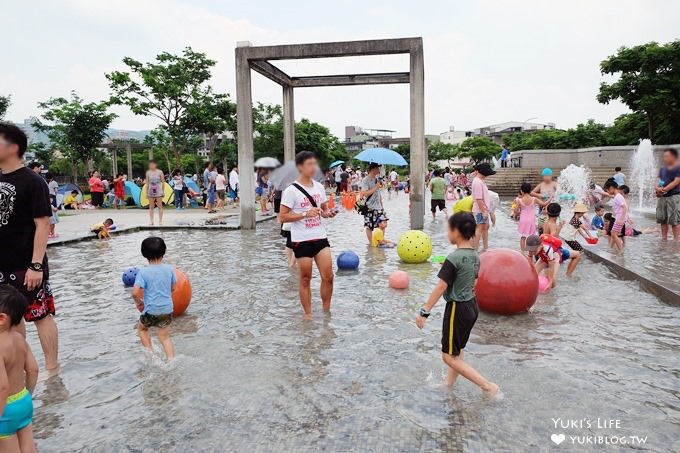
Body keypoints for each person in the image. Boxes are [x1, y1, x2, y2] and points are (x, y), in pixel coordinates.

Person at [415, 212, 499, 396]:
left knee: (447, 356)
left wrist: (424, 311)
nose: (448, 233)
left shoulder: (453, 258)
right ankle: (448, 385)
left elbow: (441, 287)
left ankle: (487, 387)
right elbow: (473, 282)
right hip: (471, 307)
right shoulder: (475, 256)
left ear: (457, 232)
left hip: (457, 309)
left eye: (449, 229)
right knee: (458, 350)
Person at [0, 122, 59, 373]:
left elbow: (43, 224)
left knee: (40, 313)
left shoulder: (32, 181)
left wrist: (36, 265)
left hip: (27, 263)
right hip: (2, 262)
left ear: (13, 147)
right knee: (9, 318)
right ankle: (19, 366)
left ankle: (52, 369)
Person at [278, 151, 337, 319]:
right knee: (305, 279)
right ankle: (308, 314)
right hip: (301, 240)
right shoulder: (291, 190)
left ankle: (326, 312)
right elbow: (282, 217)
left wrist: (328, 213)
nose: (313, 167)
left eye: (314, 164)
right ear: (300, 167)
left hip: (320, 236)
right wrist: (304, 214)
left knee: (329, 276)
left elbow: (323, 209)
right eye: (309, 164)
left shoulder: (319, 187)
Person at [0, 286, 39, 453]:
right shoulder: (19, 339)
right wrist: (27, 395)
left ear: (1, 318)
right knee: (28, 448)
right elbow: (33, 369)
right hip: (24, 401)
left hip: (4, 410)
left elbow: (2, 386)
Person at [132, 237, 176, 361]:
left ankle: (151, 354)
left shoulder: (143, 272)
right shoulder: (170, 269)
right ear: (164, 252)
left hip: (150, 310)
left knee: (142, 329)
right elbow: (173, 288)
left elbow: (135, 293)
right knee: (164, 337)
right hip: (167, 309)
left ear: (144, 254)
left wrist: (139, 302)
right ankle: (171, 360)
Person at [655, 147, 680, 241]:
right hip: (662, 196)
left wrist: (664, 189)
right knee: (662, 219)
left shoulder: (678, 167)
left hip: (674, 196)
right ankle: (664, 238)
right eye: (664, 156)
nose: (665, 158)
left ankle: (676, 240)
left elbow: (677, 181)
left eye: (667, 156)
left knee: (674, 220)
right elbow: (657, 178)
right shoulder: (663, 168)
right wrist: (657, 187)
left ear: (673, 156)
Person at [471, 163, 496, 250]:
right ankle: (475, 249)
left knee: (485, 228)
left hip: (482, 209)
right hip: (480, 210)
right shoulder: (477, 182)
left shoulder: (479, 181)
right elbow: (478, 199)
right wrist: (484, 211)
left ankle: (485, 248)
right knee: (479, 229)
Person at [360, 163, 386, 244]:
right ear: (372, 169)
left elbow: (378, 194)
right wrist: (376, 187)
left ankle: (380, 240)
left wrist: (382, 205)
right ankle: (371, 243)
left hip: (378, 207)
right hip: (369, 207)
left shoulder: (377, 179)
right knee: (369, 226)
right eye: (377, 169)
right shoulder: (365, 180)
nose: (379, 171)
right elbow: (365, 193)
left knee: (383, 224)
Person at [531, 168, 558, 233]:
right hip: (542, 208)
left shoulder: (554, 184)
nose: (546, 178)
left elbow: (561, 192)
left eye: (548, 176)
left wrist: (554, 194)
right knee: (541, 225)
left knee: (551, 224)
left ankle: (551, 234)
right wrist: (540, 195)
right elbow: (531, 192)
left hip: (551, 209)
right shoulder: (541, 185)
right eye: (545, 176)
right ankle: (541, 236)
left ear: (551, 176)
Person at [514, 182, 537, 253]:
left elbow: (515, 211)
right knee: (531, 237)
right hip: (532, 220)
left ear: (521, 191)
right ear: (530, 190)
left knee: (523, 237)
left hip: (523, 220)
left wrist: (519, 213)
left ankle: (523, 253)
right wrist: (550, 198)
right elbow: (544, 204)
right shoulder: (534, 199)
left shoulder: (519, 200)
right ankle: (531, 253)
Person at [604, 180, 626, 252]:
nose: (607, 191)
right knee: (613, 234)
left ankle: (621, 250)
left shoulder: (618, 197)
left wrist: (621, 219)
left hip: (619, 218)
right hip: (618, 218)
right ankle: (611, 248)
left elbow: (625, 207)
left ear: (611, 188)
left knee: (613, 234)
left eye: (607, 190)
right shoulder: (617, 196)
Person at [145, 160, 165, 225]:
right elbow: (147, 183)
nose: (151, 166)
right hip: (150, 191)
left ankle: (160, 221)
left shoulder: (160, 172)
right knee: (151, 206)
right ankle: (151, 221)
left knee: (160, 206)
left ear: (155, 165)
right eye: (150, 165)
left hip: (158, 190)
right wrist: (146, 193)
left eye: (152, 164)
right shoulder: (148, 172)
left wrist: (163, 191)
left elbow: (163, 182)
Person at [45, 173, 59, 239]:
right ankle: (52, 232)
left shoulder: (44, 182)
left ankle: (49, 233)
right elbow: (56, 190)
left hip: (46, 196)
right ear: (52, 177)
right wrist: (56, 194)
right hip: (52, 196)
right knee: (53, 208)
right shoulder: (54, 182)